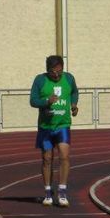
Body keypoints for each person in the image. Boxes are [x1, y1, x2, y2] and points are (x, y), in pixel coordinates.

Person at [30, 55, 79, 207]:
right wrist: (46, 102)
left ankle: (62, 192)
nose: (57, 75)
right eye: (53, 73)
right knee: (47, 159)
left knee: (64, 156)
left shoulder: (69, 78)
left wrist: (74, 104)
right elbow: (33, 100)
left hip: (63, 125)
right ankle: (48, 192)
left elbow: (74, 92)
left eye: (59, 72)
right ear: (47, 70)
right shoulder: (40, 80)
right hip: (45, 127)